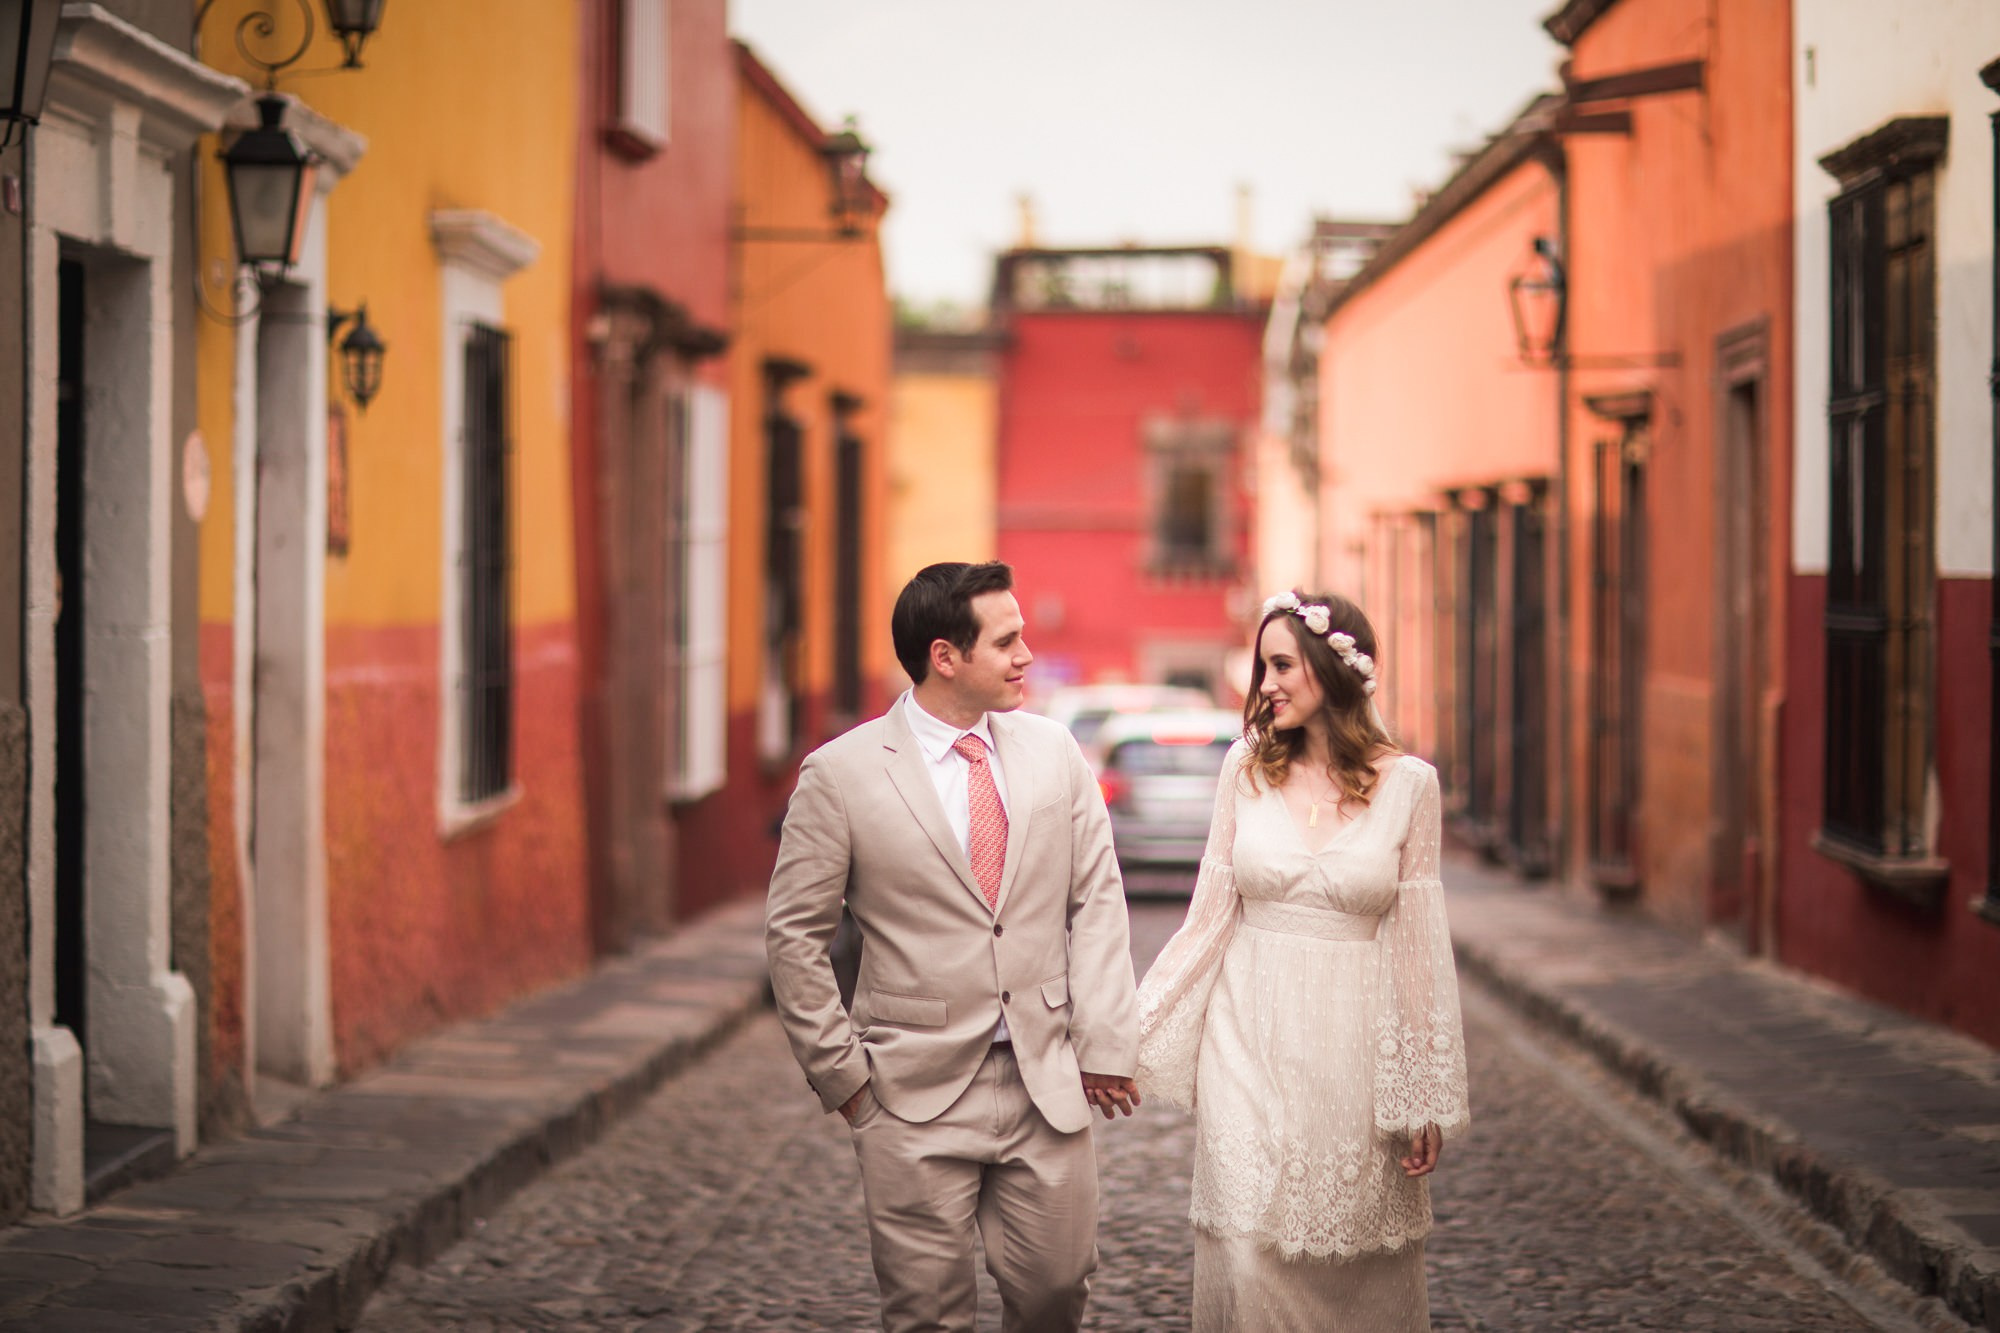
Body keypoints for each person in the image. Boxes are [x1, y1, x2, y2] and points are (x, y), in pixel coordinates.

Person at [765, 560, 1142, 1333]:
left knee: (1057, 1292)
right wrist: (844, 1077)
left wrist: (1105, 1039)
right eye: (1006, 641)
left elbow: (1096, 898)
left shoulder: (1055, 752)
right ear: (946, 655)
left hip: (1046, 1082)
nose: (1026, 655)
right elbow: (794, 936)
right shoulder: (840, 774)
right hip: (910, 1089)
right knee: (927, 1314)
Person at [1134, 590, 1469, 1332]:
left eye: (1282, 663)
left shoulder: (1411, 784)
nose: (1266, 683)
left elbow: (1417, 941)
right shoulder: (1243, 769)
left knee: (1357, 1269)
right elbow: (1206, 919)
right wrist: (1126, 1032)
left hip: (1353, 1050)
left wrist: (1423, 1090)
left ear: (1330, 666)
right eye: (1262, 666)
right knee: (1249, 1254)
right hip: (1246, 1040)